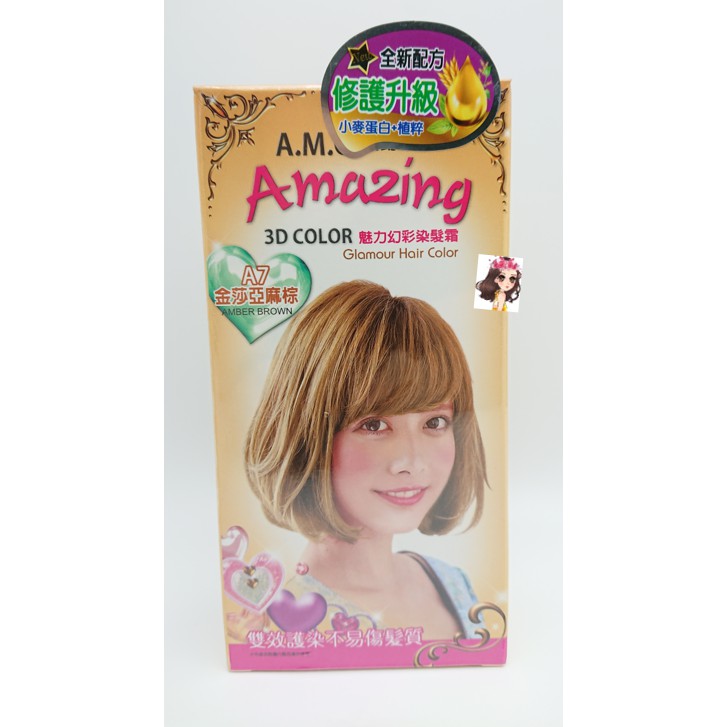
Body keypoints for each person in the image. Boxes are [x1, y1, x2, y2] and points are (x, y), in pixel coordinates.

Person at [244, 280, 488, 639]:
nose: (411, 462)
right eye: (374, 425)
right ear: (306, 434)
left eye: (435, 422)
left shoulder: (451, 582)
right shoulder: (282, 624)